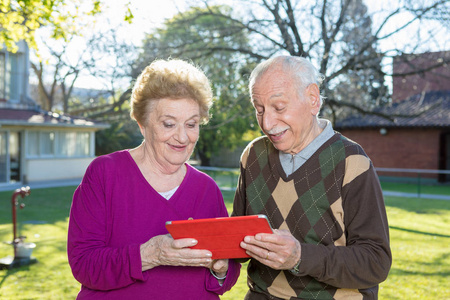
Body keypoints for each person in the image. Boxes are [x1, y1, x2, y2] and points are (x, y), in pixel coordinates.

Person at [67, 58, 240, 299]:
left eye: (191, 124)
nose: (182, 137)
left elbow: (225, 277)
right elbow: (84, 264)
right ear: (142, 124)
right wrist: (152, 253)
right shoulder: (105, 174)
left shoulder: (206, 189)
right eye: (169, 124)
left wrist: (220, 268)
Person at [232, 55, 391, 300]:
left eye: (279, 107)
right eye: (259, 109)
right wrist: (209, 242)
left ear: (312, 99)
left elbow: (375, 261)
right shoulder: (253, 155)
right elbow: (240, 239)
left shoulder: (351, 161)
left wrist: (299, 257)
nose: (267, 122)